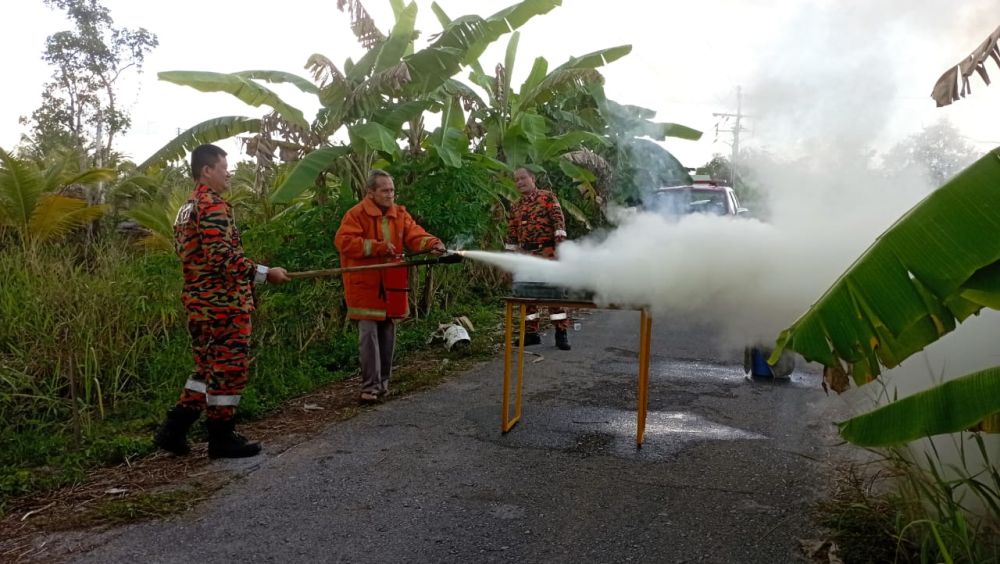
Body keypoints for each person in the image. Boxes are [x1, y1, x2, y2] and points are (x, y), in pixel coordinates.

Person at [153, 143, 291, 459]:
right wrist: (265, 273)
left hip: (199, 302)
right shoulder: (212, 206)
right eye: (224, 168)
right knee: (229, 368)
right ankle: (221, 437)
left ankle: (174, 429)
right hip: (223, 303)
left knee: (206, 368)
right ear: (207, 170)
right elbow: (221, 257)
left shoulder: (187, 207)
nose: (228, 174)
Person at [335, 170, 446, 404]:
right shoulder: (355, 215)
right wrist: (377, 247)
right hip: (365, 285)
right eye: (385, 190)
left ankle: (383, 384)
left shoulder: (400, 215)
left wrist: (433, 243)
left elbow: (415, 234)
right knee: (368, 336)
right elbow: (344, 242)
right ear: (371, 192)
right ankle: (370, 387)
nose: (390, 194)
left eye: (392, 190)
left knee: (387, 333)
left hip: (391, 285)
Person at [505, 167, 572, 350]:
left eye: (523, 178)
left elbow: (559, 222)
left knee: (553, 293)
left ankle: (561, 334)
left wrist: (560, 247)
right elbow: (511, 233)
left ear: (532, 178)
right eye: (516, 179)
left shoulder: (547, 197)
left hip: (547, 252)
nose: (519, 182)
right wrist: (509, 257)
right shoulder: (516, 206)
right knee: (527, 295)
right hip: (526, 255)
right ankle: (531, 334)